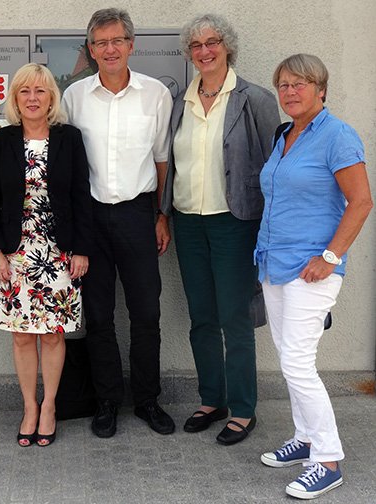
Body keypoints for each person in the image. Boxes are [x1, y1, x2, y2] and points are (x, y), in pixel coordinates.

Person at [256, 54, 372, 499]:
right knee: (290, 358)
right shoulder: (284, 135)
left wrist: (330, 255)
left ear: (321, 89)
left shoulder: (337, 135)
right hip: (274, 262)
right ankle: (304, 438)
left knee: (297, 363)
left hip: (312, 269)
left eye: (300, 83)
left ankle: (327, 458)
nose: (290, 92)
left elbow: (360, 202)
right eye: (283, 84)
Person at [160, 14, 280, 445]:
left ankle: (244, 409)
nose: (204, 50)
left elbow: (275, 165)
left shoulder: (255, 99)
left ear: (227, 46)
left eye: (212, 42)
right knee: (201, 317)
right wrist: (163, 214)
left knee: (234, 317)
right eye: (196, 45)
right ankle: (212, 399)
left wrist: (272, 226)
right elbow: (170, 165)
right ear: (189, 52)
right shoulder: (180, 102)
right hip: (188, 221)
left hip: (235, 222)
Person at [62, 7, 175, 438]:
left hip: (137, 214)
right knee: (99, 314)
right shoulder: (74, 97)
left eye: (117, 41)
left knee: (146, 311)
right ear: (91, 50)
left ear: (131, 45)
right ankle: (107, 400)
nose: (109, 49)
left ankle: (147, 399)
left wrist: (160, 214)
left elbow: (162, 159)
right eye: (100, 43)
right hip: (90, 218)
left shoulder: (155, 95)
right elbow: (68, 167)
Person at [0, 63, 93, 447]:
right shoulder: (2, 141)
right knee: (22, 337)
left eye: (40, 91)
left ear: (51, 98)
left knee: (53, 335)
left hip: (58, 254)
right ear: (15, 98)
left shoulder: (69, 139)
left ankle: (50, 406)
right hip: (15, 255)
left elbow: (82, 197)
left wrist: (81, 249)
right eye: (25, 91)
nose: (32, 98)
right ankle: (29, 406)